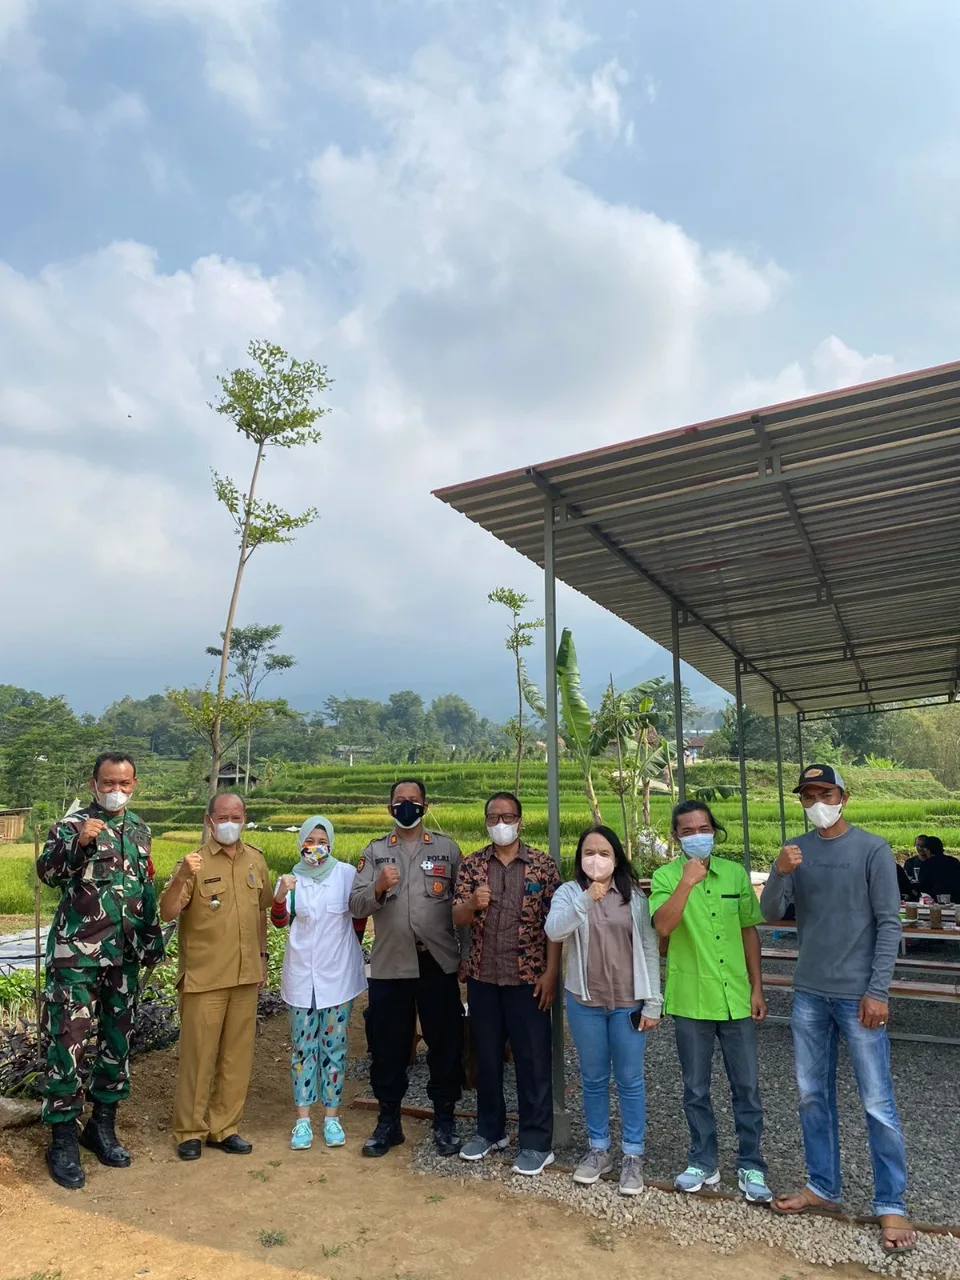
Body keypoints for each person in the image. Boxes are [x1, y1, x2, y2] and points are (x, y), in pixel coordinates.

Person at [760, 765, 915, 1255]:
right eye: (808, 796)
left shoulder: (872, 849)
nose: (817, 803)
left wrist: (878, 991)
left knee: (877, 1101)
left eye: (825, 793)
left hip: (858, 995)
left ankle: (891, 1201)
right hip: (809, 991)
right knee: (811, 1095)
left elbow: (889, 924)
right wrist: (779, 871)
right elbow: (770, 913)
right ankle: (822, 1186)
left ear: (844, 796)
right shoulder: (795, 851)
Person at [36, 752, 164, 1189]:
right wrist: (80, 844)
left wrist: (151, 940)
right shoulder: (72, 826)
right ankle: (63, 1137)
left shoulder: (140, 830)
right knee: (67, 1042)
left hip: (123, 957)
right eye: (109, 783)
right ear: (94, 784)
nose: (116, 791)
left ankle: (102, 1125)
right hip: (77, 956)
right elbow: (48, 873)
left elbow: (144, 888)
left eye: (124, 784)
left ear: (134, 785)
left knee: (117, 1040)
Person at [649, 801, 772, 1203]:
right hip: (691, 1000)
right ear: (676, 837)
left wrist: (757, 987)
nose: (697, 836)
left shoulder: (735, 874)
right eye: (687, 831)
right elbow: (663, 926)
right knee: (695, 1088)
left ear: (714, 831)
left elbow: (749, 931)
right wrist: (686, 882)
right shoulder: (666, 877)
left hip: (735, 996)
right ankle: (702, 1160)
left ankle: (751, 1164)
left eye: (704, 828)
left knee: (747, 1086)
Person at [349, 780, 464, 1158]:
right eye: (400, 801)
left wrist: (466, 957)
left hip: (437, 962)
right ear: (389, 808)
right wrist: (378, 887)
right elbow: (356, 905)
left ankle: (444, 1119)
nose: (407, 806)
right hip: (391, 965)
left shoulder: (447, 850)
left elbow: (463, 907)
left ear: (425, 806)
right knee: (388, 1046)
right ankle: (388, 1122)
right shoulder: (374, 852)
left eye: (414, 801)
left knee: (445, 1044)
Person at [545, 826, 661, 1197]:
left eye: (604, 853)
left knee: (630, 1079)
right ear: (580, 857)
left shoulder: (635, 897)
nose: (596, 859)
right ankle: (599, 1149)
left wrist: (653, 1001)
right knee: (593, 1078)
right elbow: (554, 931)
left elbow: (648, 948)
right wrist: (585, 900)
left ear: (616, 858)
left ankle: (633, 1154)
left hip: (628, 1002)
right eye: (589, 852)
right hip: (586, 1003)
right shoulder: (569, 892)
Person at [452, 792, 561, 1177]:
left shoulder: (543, 867)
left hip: (528, 979)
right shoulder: (472, 865)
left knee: (533, 1061)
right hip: (483, 977)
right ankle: (490, 1131)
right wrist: (472, 905)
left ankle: (536, 1142)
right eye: (494, 817)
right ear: (486, 822)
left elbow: (556, 925)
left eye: (508, 816)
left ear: (520, 820)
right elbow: (457, 916)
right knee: (486, 1058)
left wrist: (551, 972)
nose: (501, 824)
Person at [160, 792, 272, 1160]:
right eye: (222, 817)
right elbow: (167, 912)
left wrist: (262, 957)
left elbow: (261, 911)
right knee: (198, 1058)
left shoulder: (256, 860)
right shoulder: (193, 863)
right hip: (205, 977)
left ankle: (225, 1128)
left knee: (236, 1059)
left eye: (236, 817)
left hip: (245, 976)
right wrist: (180, 878)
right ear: (209, 821)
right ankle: (189, 1131)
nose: (230, 823)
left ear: (245, 819)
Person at [270, 816, 366, 1150]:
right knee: (302, 1049)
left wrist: (349, 949)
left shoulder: (347, 875)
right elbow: (279, 921)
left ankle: (331, 1118)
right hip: (301, 977)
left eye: (322, 841)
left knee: (334, 1048)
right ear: (300, 844)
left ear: (331, 843)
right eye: (309, 841)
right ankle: (302, 1121)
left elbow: (359, 916)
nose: (315, 847)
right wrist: (280, 896)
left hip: (337, 977)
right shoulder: (291, 879)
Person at [916, 836, 960, 904]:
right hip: (956, 899)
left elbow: (922, 885)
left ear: (928, 850)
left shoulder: (927, 864)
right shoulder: (954, 861)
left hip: (936, 900)